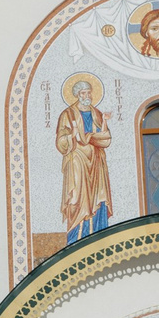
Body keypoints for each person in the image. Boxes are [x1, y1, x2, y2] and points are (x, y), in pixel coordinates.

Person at [54, 76, 113, 242]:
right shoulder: (67, 114)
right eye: (84, 93)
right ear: (77, 95)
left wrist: (98, 130)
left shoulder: (97, 113)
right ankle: (77, 239)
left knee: (98, 198)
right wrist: (72, 136)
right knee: (78, 199)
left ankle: (99, 237)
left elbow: (105, 138)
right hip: (78, 161)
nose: (87, 96)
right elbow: (61, 141)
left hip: (96, 161)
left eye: (89, 93)